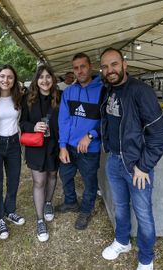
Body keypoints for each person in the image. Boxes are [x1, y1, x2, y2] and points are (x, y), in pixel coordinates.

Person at [99, 48, 163, 270]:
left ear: (124, 64)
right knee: (120, 206)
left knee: (143, 213)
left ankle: (146, 259)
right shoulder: (107, 90)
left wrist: (143, 166)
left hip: (136, 165)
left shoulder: (141, 91)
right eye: (105, 66)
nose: (110, 70)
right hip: (114, 160)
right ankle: (122, 241)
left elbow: (160, 136)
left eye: (114, 64)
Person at [57, 52, 103, 230]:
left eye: (83, 66)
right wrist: (62, 146)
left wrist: (91, 134)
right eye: (76, 68)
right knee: (65, 176)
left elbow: (107, 121)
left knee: (89, 181)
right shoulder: (69, 92)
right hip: (69, 146)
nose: (79, 71)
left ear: (90, 66)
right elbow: (64, 120)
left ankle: (86, 210)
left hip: (90, 148)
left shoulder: (103, 91)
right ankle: (71, 202)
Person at [0, 64, 25, 240]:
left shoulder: (19, 98)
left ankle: (10, 211)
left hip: (15, 143)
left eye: (9, 77)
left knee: (14, 179)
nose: (5, 80)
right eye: (2, 76)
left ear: (14, 80)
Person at [20, 65, 60, 242]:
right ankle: (40, 219)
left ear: (53, 79)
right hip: (35, 146)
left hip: (55, 145)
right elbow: (21, 123)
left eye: (48, 76)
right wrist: (33, 126)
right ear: (36, 80)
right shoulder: (27, 99)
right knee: (39, 181)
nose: (45, 80)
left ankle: (49, 203)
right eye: (41, 77)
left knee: (52, 175)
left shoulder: (60, 97)